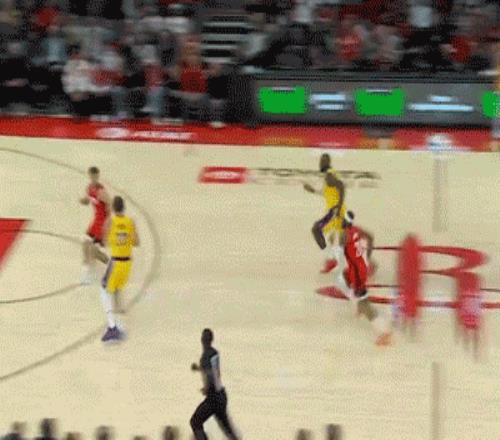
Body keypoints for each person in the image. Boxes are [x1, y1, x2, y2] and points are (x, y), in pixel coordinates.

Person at [337, 211, 391, 346]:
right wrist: (368, 256)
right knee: (342, 279)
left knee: (364, 303)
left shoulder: (344, 235)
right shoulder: (357, 230)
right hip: (358, 267)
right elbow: (370, 236)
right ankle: (357, 303)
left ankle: (383, 332)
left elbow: (340, 248)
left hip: (357, 273)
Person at [100, 196, 140, 342]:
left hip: (116, 261)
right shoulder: (130, 222)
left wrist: (112, 236)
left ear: (113, 208)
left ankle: (113, 328)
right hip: (127, 262)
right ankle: (120, 327)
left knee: (105, 289)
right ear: (124, 207)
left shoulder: (110, 221)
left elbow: (104, 241)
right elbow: (136, 242)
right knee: (116, 290)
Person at [190, 329, 240, 440]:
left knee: (195, 422)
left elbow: (211, 374)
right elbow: (215, 372)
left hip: (213, 398)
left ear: (203, 340)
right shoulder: (214, 353)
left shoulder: (205, 356)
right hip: (221, 396)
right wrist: (199, 369)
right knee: (229, 431)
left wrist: (207, 387)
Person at [304, 153, 346, 274]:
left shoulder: (329, 174)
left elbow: (341, 186)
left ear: (327, 162)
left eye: (323, 161)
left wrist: (338, 207)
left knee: (316, 229)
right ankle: (334, 260)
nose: (320, 163)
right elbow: (328, 193)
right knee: (336, 238)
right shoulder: (329, 175)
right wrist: (312, 190)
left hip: (334, 210)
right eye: (320, 161)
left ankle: (331, 260)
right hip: (335, 209)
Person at [79, 166, 110, 285]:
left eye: (95, 176)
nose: (93, 178)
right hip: (96, 221)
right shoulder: (89, 188)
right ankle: (87, 271)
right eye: (92, 176)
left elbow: (110, 203)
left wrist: (107, 224)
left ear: (97, 176)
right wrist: (84, 201)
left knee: (92, 250)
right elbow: (89, 200)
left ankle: (92, 272)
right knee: (85, 244)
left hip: (102, 223)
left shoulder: (101, 191)